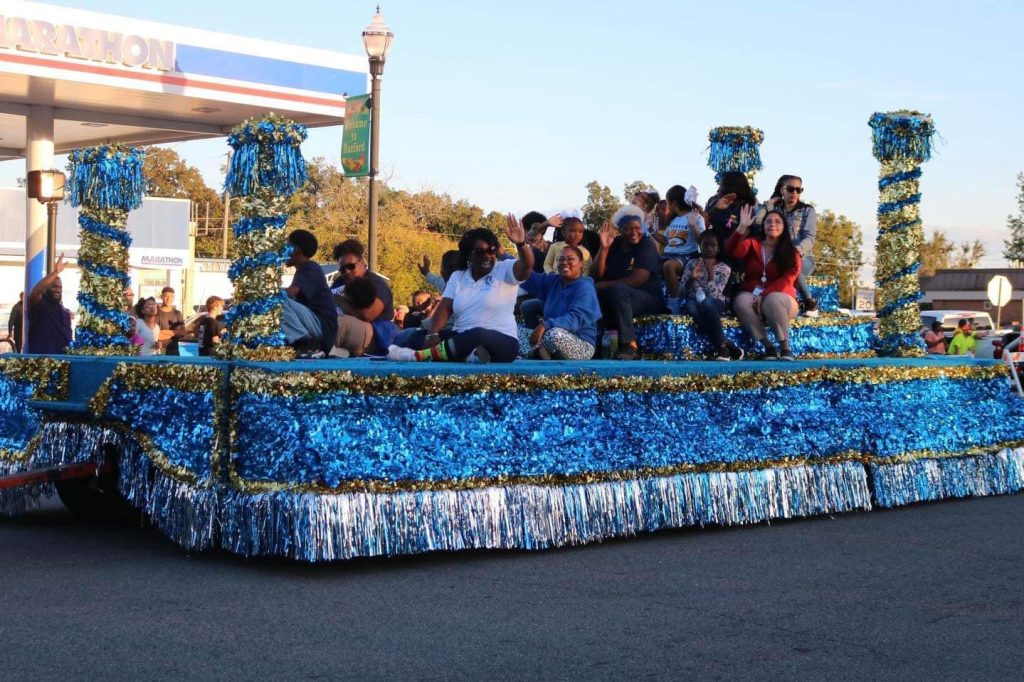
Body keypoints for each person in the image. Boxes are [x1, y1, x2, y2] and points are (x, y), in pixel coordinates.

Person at [388, 216, 533, 363]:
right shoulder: (458, 276)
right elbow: (445, 308)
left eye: (491, 250)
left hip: (502, 342)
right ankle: (469, 356)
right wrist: (432, 334)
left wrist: (521, 244)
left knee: (477, 334)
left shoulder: (505, 268)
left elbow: (527, 266)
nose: (487, 256)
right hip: (460, 337)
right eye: (479, 252)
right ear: (468, 255)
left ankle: (420, 356)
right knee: (417, 336)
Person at [728, 206, 801, 360]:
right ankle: (768, 347)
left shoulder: (791, 252)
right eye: (768, 221)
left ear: (784, 227)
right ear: (763, 226)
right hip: (753, 293)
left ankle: (785, 347)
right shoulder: (753, 244)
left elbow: (788, 278)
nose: (772, 224)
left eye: (777, 222)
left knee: (772, 300)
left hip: (782, 298)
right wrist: (741, 228)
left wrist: (764, 295)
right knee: (741, 301)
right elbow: (731, 251)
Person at [593, 205, 664, 360]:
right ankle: (593, 342)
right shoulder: (616, 244)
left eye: (638, 228)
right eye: (628, 228)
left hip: (647, 298)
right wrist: (604, 249)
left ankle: (630, 345)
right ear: (621, 230)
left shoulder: (647, 245)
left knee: (618, 290)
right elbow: (598, 275)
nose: (634, 232)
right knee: (591, 289)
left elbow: (636, 281)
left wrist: (604, 285)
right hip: (619, 295)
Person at [521, 245, 601, 360]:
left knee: (553, 335)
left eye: (570, 259)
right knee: (513, 334)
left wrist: (545, 325)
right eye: (560, 259)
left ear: (581, 263)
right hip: (549, 337)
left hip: (581, 344)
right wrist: (504, 255)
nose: (565, 262)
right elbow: (528, 276)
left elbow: (575, 318)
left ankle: (537, 354)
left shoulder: (585, 287)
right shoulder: (554, 281)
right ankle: (540, 353)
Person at [756, 175, 819, 316]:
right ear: (782, 190)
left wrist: (795, 251)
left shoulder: (807, 211)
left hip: (803, 258)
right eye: (790, 189)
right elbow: (758, 222)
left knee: (790, 263)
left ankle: (809, 302)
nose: (795, 193)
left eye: (799, 189)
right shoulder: (775, 210)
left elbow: (810, 238)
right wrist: (770, 204)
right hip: (776, 257)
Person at [683, 231, 743, 361]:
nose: (709, 249)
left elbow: (715, 294)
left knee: (707, 303)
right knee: (692, 307)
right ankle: (725, 344)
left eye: (713, 245)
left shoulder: (724, 268)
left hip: (715, 302)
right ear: (700, 246)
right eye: (705, 245)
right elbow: (681, 291)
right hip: (693, 299)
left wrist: (710, 273)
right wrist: (691, 278)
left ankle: (722, 348)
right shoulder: (692, 264)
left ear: (718, 248)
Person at [332, 239, 398, 357]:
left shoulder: (377, 284)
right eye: (342, 269)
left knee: (341, 322)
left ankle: (320, 348)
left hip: (374, 334)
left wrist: (339, 300)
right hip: (346, 331)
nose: (346, 271)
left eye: (351, 266)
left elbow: (368, 315)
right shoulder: (339, 282)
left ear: (362, 262)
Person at [282, 229, 338, 355]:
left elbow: (290, 293)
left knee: (277, 301)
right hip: (316, 323)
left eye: (287, 247)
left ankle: (305, 341)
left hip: (323, 327)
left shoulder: (310, 268)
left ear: (297, 250)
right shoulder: (301, 270)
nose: (283, 251)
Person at [656, 185, 706, 314]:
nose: (667, 206)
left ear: (674, 203)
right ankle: (655, 301)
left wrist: (693, 225)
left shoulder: (696, 216)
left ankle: (674, 302)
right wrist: (651, 231)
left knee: (669, 266)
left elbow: (703, 241)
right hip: (668, 254)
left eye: (667, 203)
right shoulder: (674, 220)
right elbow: (666, 241)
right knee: (649, 265)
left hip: (687, 256)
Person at [704, 171, 758, 259]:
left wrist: (720, 249)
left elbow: (740, 238)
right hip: (709, 252)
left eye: (721, 185)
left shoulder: (746, 208)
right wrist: (715, 209)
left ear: (730, 188)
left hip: (731, 256)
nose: (718, 189)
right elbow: (702, 224)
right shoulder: (713, 201)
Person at [25, 254, 72, 355]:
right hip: (40, 363)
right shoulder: (39, 305)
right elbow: (35, 292)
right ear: (45, 288)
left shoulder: (64, 312)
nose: (58, 290)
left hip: (62, 363)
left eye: (60, 288)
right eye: (54, 287)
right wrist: (55, 272)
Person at [156, 286, 186, 356]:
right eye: (166, 296)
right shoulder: (157, 313)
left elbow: (183, 333)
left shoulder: (177, 313)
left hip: (174, 350)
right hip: (160, 350)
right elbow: (157, 335)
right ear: (161, 297)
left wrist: (166, 332)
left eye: (171, 296)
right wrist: (175, 333)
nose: (169, 299)